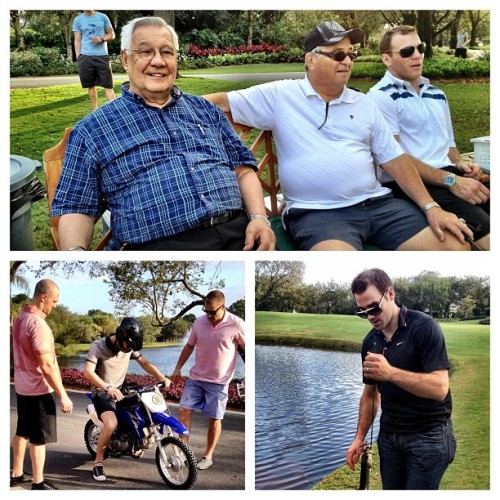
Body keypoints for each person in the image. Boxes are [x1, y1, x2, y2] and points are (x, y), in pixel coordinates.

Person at [204, 21, 472, 251]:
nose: (346, 61)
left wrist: (431, 207)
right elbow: (219, 102)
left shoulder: (364, 103)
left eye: (350, 55)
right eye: (337, 55)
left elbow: (396, 160)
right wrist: (164, 104)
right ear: (311, 60)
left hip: (378, 205)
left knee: (455, 246)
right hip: (318, 213)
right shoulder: (280, 95)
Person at [53, 16, 275, 252]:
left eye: (166, 52)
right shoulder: (92, 130)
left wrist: (259, 219)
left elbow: (242, 169)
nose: (158, 61)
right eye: (145, 51)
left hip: (239, 236)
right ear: (126, 59)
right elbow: (76, 207)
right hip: (157, 248)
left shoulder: (206, 110)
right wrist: (76, 254)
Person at [367, 25, 490, 250]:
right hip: (411, 183)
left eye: (419, 48)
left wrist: (461, 164)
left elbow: (449, 145)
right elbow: (393, 158)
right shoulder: (380, 97)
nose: (416, 55)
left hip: (449, 177)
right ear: (386, 59)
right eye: (406, 51)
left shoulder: (437, 94)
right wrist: (452, 181)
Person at [346, 268, 456, 489]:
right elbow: (370, 394)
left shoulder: (424, 327)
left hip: (428, 437)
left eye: (374, 308)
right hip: (389, 438)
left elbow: (440, 388)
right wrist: (359, 437)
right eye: (362, 312)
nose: (370, 316)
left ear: (390, 294)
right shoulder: (371, 342)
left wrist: (390, 373)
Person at [83, 317, 171, 482]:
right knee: (111, 424)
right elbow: (88, 372)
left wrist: (160, 376)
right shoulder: (98, 346)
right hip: (102, 391)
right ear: (120, 336)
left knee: (145, 401)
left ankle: (138, 438)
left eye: (132, 347)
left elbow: (143, 362)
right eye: (128, 345)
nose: (129, 349)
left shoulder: (128, 346)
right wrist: (108, 387)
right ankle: (98, 463)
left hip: (121, 387)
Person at [11, 279, 74, 490]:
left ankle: (17, 473)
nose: (55, 306)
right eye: (54, 301)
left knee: (23, 431)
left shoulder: (20, 318)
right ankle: (38, 483)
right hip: (38, 389)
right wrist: (63, 394)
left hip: (22, 387)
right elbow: (46, 366)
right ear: (43, 297)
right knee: (39, 439)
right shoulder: (38, 324)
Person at [172, 290, 245, 470]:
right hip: (196, 378)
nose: (209, 315)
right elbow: (189, 346)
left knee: (214, 419)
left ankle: (208, 456)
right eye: (206, 311)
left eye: (213, 311)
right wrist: (178, 367)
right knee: (183, 410)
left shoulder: (236, 324)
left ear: (223, 306)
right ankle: (183, 453)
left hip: (219, 382)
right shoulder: (199, 322)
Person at [73, 10, 116, 111]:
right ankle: (95, 110)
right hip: (85, 56)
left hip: (102, 56)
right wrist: (79, 57)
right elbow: (77, 40)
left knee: (108, 85)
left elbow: (112, 35)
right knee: (90, 85)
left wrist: (102, 39)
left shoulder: (103, 17)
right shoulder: (78, 20)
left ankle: (115, 111)